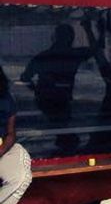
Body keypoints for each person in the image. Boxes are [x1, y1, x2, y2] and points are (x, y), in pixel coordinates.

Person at [19, 22, 95, 154]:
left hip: (47, 98)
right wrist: (89, 30)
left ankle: (64, 148)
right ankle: (65, 150)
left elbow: (25, 77)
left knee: (60, 125)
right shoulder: (73, 55)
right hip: (57, 98)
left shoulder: (44, 56)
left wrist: (37, 89)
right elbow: (95, 49)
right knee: (62, 125)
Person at [0, 66, 33, 204]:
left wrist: (1, 151)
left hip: (4, 148)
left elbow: (11, 133)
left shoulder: (6, 98)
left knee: (21, 177)